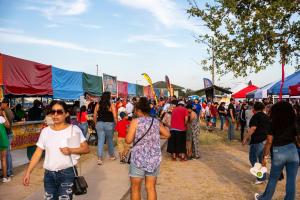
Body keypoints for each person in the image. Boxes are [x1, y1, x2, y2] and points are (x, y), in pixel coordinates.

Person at [23, 100, 90, 199]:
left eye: (59, 112)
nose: (55, 115)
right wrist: (28, 172)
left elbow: (86, 148)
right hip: (49, 175)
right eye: (52, 111)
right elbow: (38, 153)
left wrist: (71, 150)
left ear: (66, 114)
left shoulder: (73, 129)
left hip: (67, 174)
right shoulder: (45, 131)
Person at [126, 97, 170, 200]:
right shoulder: (155, 121)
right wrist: (156, 137)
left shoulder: (135, 122)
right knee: (151, 187)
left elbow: (128, 140)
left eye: (135, 110)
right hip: (154, 158)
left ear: (139, 110)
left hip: (138, 158)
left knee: (135, 188)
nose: (135, 112)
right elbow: (167, 134)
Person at [255, 101, 300, 200]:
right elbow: (298, 139)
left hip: (279, 151)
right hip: (293, 151)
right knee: (291, 180)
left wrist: (265, 157)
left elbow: (269, 141)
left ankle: (265, 198)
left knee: (273, 178)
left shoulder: (273, 122)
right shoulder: (293, 122)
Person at [243, 102, 269, 185]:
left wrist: (245, 138)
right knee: (261, 160)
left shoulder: (256, 116)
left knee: (253, 159)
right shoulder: (266, 116)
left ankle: (260, 177)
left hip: (257, 141)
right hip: (265, 140)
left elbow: (253, 128)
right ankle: (263, 178)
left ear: (255, 108)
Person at [93, 91, 118, 165]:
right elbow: (115, 116)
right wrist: (116, 124)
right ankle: (112, 156)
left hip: (99, 124)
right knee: (109, 140)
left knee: (100, 140)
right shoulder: (111, 105)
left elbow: (94, 116)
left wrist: (95, 123)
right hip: (109, 124)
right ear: (109, 97)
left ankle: (99, 158)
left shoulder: (98, 105)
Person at [1, 98, 14, 178]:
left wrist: (4, 117)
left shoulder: (6, 111)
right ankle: (9, 171)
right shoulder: (8, 111)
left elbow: (8, 124)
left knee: (7, 154)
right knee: (7, 154)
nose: (1, 105)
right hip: (7, 134)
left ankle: (9, 172)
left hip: (7, 134)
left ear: (5, 104)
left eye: (2, 103)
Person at [0, 109, 11, 183]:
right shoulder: (1, 118)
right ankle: (4, 178)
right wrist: (4, 115)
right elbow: (8, 125)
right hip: (2, 141)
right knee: (3, 159)